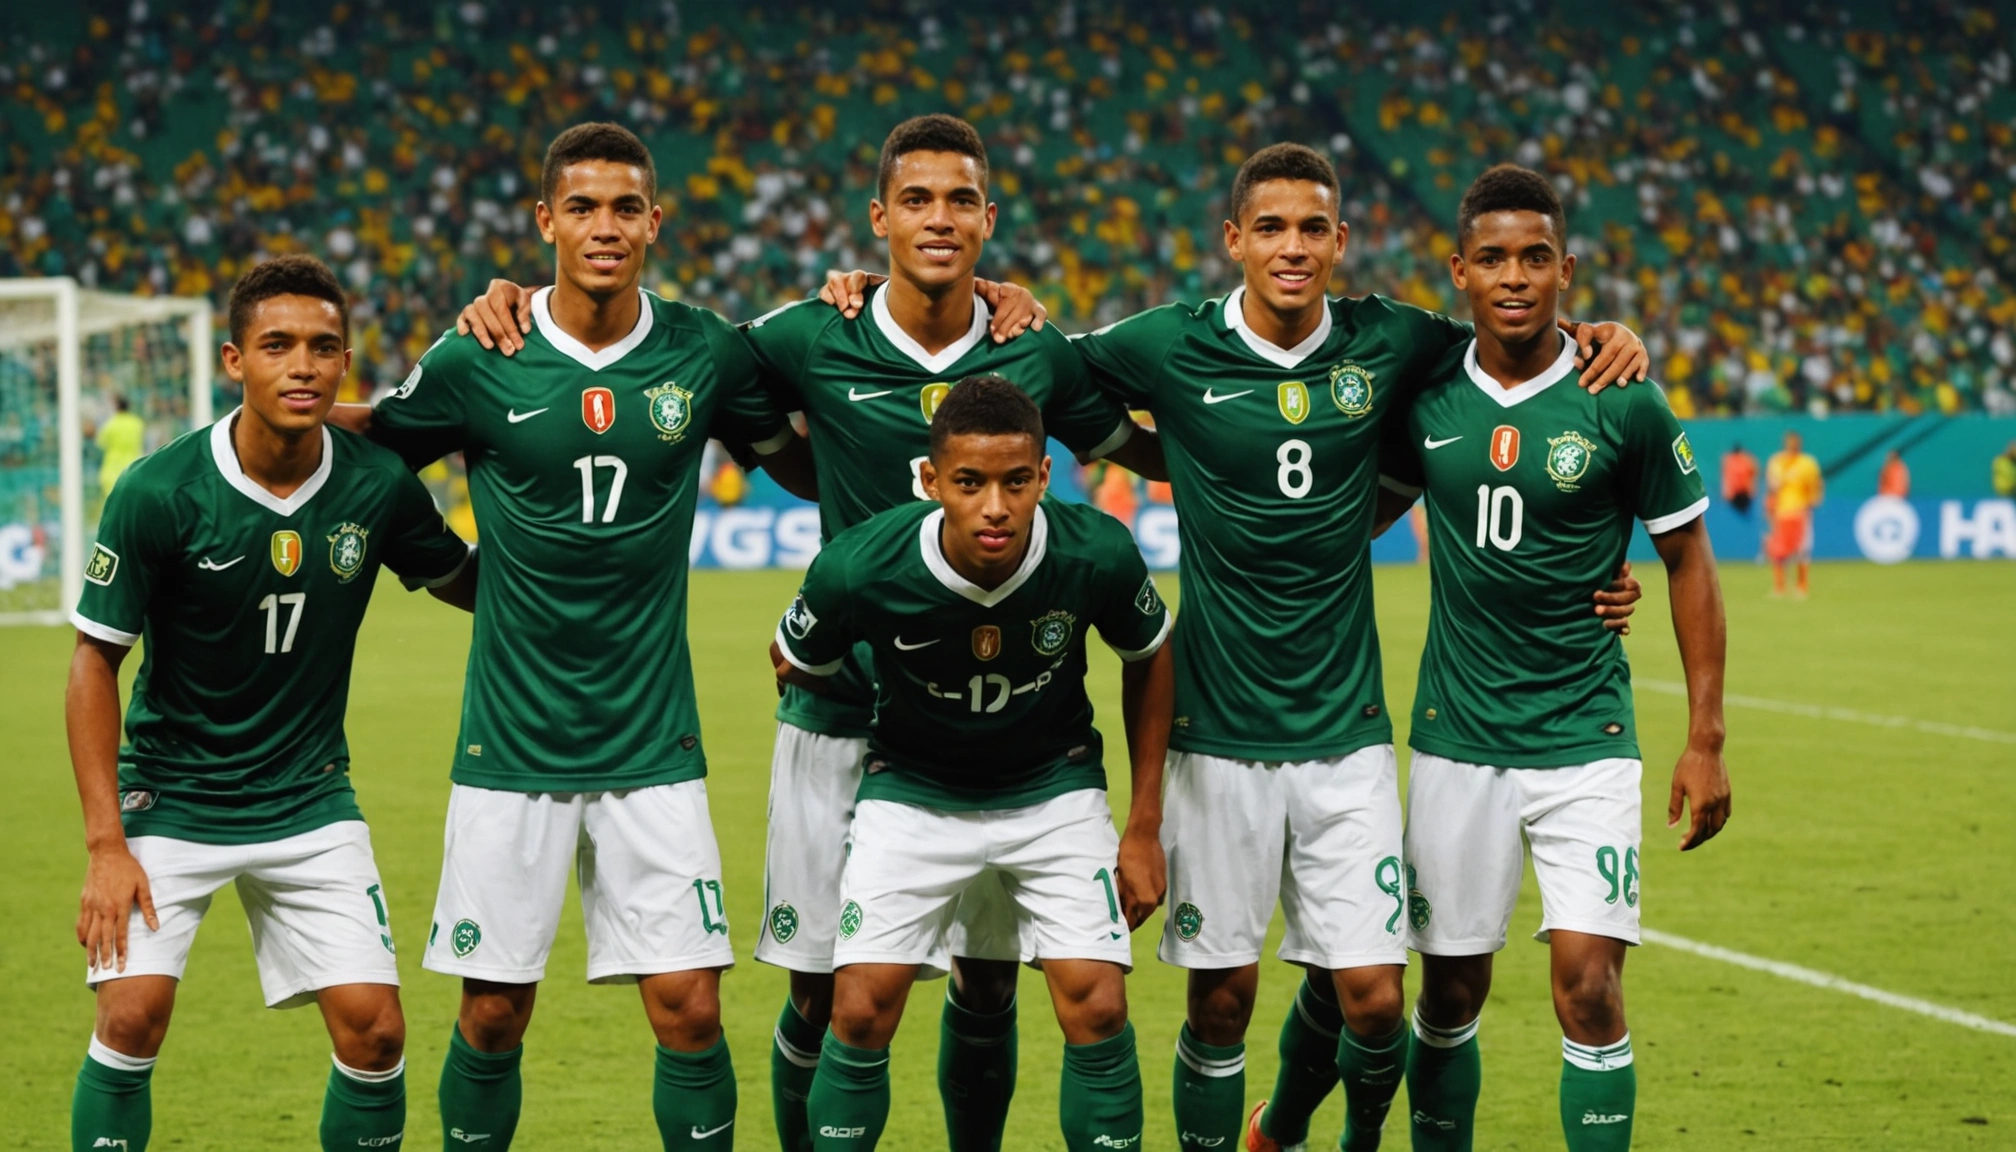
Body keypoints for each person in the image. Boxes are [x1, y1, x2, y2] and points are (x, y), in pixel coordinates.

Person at [454, 112, 1163, 1152]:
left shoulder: (1033, 347)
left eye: (960, 200)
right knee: (825, 994)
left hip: (992, 733)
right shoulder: (811, 333)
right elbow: (670, 363)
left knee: (989, 981)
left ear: (987, 218)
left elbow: (1149, 444)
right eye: (916, 200)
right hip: (839, 714)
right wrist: (514, 297)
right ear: (879, 218)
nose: (938, 219)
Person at [1056, 143, 1648, 1152]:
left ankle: (1328, 1134)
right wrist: (1140, 434)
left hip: (1349, 733)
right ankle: (1266, 1134)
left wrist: (1604, 334)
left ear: (1341, 241)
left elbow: (1515, 333)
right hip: (1216, 732)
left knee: (1375, 1000)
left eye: (1312, 229)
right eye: (1271, 228)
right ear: (1234, 240)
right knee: (1220, 1004)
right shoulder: (1170, 344)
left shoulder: (1394, 340)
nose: (1292, 248)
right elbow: (1048, 372)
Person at [352, 122, 813, 1149]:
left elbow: (810, 458)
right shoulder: (480, 354)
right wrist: (447, 569)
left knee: (691, 1008)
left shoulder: (703, 349)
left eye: (624, 208)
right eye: (582, 207)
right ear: (545, 221)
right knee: (491, 1012)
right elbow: (375, 458)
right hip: (510, 740)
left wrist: (867, 295)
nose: (604, 227)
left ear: (655, 222)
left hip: (653, 740)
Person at [65, 255, 477, 1152]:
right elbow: (94, 662)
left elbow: (468, 582)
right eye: (277, 345)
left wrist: (563, 527)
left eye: (324, 348)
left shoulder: (376, 484)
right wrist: (106, 846)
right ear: (234, 361)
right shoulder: (160, 491)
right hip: (171, 797)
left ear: (346, 363)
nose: (303, 365)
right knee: (130, 1018)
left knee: (377, 1033)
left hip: (308, 796)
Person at [1379, 164, 1731, 1152]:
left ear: (1567, 270)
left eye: (1536, 257)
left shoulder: (1623, 398)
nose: (1515, 276)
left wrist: (1705, 738)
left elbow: (1690, 559)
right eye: (1492, 258)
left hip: (1586, 736)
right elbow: (1355, 514)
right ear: (1459, 271)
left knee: (1590, 986)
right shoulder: (1423, 392)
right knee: (1449, 991)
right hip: (1458, 739)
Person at [769, 375, 1176, 1152]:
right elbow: (795, 658)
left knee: (1097, 1003)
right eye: (969, 483)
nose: (996, 506)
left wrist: (1144, 824)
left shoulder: (1095, 551)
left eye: (1016, 482)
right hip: (912, 792)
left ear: (1045, 476)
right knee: (859, 1006)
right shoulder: (863, 563)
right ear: (931, 481)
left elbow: (1151, 654)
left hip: (1052, 789)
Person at [1765, 430, 1823, 597]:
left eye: (1795, 443)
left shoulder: (1807, 463)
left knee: (1802, 550)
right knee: (1778, 551)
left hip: (1800, 512)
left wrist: (1814, 499)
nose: (1792, 446)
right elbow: (1772, 486)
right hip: (1781, 512)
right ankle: (1779, 587)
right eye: (1790, 443)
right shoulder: (1777, 462)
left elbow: (1816, 484)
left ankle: (1802, 586)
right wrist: (1769, 507)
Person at [93, 394, 148, 498]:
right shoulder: (137, 423)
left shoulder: (111, 424)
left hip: (112, 468)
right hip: (134, 465)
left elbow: (101, 443)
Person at [1720, 441, 1757, 517]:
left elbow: (1753, 473)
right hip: (1738, 493)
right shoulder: (1744, 459)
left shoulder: (1743, 459)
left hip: (1742, 492)